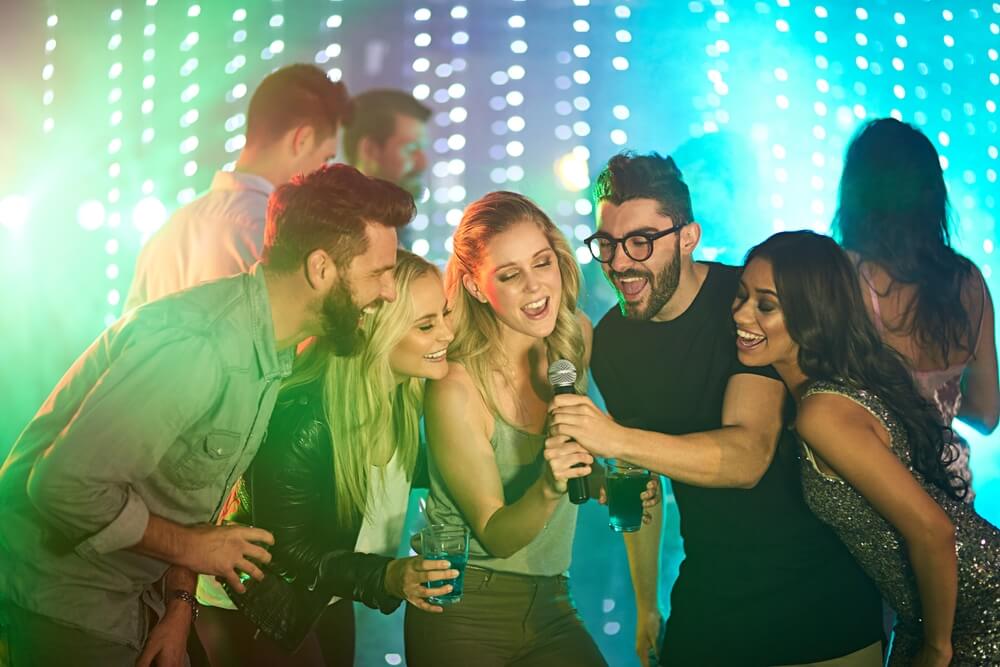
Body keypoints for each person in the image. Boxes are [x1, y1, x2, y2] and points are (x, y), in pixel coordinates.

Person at [0, 164, 412, 666]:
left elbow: (186, 497)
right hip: (64, 600)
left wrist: (179, 605)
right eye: (379, 273)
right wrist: (193, 549)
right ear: (321, 268)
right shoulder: (201, 348)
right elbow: (62, 486)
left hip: (135, 600)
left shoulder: (269, 352)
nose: (389, 292)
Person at [549, 153, 883, 666]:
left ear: (688, 237)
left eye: (640, 241)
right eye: (607, 244)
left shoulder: (747, 304)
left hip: (818, 598)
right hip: (710, 592)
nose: (618, 261)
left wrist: (610, 436)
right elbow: (640, 483)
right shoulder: (612, 340)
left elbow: (748, 456)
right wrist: (644, 605)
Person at [733, 230, 1000, 665]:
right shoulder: (830, 390)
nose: (742, 314)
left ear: (811, 315)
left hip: (975, 615)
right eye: (740, 296)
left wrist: (936, 647)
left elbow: (934, 531)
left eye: (766, 305)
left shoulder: (823, 413)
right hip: (938, 615)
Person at [194, 251, 456, 667]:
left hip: (326, 596)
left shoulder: (404, 397)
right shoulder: (304, 413)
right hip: (257, 607)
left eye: (445, 315)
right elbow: (283, 548)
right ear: (373, 329)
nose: (447, 334)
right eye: (426, 325)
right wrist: (386, 576)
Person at [405, 192, 609, 666]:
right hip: (463, 606)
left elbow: (566, 459)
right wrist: (551, 484)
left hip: (553, 600)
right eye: (510, 275)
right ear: (476, 287)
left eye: (543, 263)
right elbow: (496, 533)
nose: (536, 288)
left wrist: (596, 478)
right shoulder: (455, 386)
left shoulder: (573, 337)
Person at [835, 117, 999, 502]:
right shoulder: (969, 281)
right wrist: (937, 403)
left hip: (868, 490)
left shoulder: (841, 272)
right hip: (948, 489)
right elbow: (988, 413)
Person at [125, 64, 350, 310]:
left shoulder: (167, 232)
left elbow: (128, 342)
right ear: (302, 140)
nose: (323, 171)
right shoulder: (275, 238)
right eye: (326, 158)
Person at [342, 89, 431, 249]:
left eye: (422, 149)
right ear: (370, 150)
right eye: (410, 149)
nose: (422, 163)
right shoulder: (345, 236)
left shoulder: (392, 226)